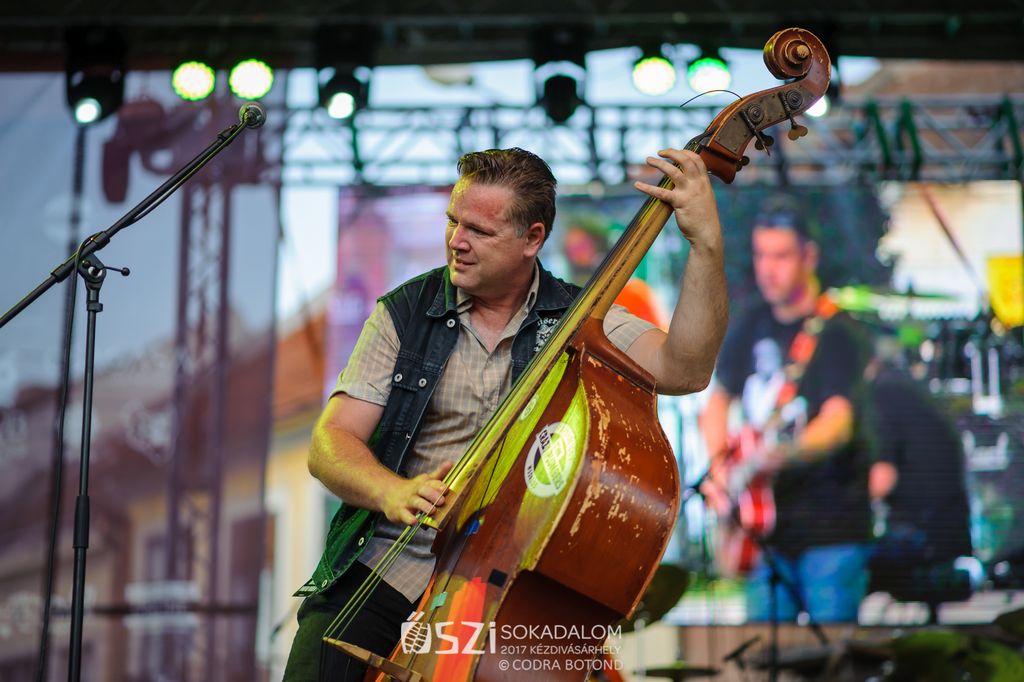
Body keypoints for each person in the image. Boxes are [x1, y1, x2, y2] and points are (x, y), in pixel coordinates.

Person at [283, 146, 729, 680]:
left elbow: (685, 370)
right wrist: (391, 492)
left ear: (532, 239)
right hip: (389, 564)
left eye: (479, 230)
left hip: (508, 582)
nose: (457, 241)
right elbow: (329, 443)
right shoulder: (403, 313)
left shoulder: (583, 320)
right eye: (453, 221)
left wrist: (706, 244)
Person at [701, 196, 872, 623]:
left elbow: (837, 422)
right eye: (761, 255)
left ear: (808, 257)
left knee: (831, 652)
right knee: (763, 650)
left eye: (780, 256)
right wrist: (721, 468)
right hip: (764, 532)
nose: (767, 268)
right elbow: (718, 401)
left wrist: (781, 454)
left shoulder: (838, 332)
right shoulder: (750, 323)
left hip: (830, 528)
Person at [864, 336, 973, 606]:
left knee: (834, 558)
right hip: (947, 535)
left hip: (920, 538)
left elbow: (881, 480)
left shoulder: (883, 394)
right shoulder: (909, 390)